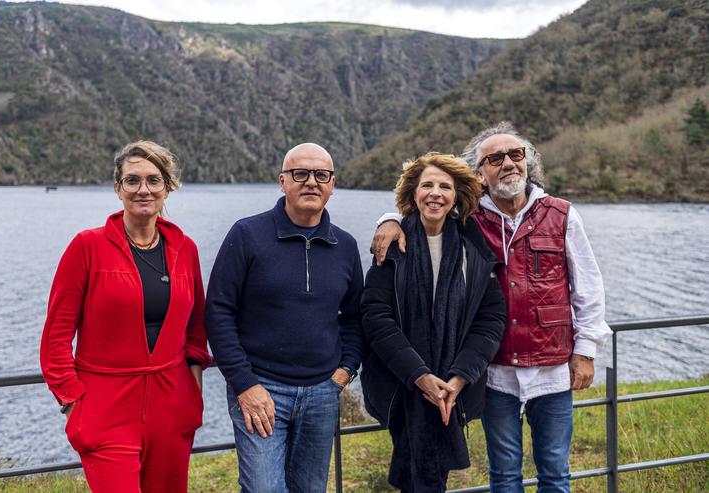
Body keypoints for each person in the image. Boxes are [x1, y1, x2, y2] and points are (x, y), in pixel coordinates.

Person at [372, 122, 612, 492]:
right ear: (480, 173)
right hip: (496, 369)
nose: (509, 163)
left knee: (555, 469)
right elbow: (425, 205)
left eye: (516, 154)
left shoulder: (562, 214)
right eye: (495, 158)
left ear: (528, 162)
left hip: (552, 366)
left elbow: (588, 286)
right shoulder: (468, 219)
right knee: (503, 473)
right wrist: (388, 221)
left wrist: (586, 350)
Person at [40, 141, 212, 493]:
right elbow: (56, 336)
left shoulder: (185, 249)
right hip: (105, 409)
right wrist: (73, 403)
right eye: (132, 180)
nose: (143, 189)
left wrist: (193, 386)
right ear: (118, 189)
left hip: (171, 407)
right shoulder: (87, 247)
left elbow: (197, 325)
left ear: (168, 188)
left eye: (153, 180)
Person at [204, 143, 364, 492]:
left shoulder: (346, 246)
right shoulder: (247, 235)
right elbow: (218, 311)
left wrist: (345, 371)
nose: (311, 182)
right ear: (282, 182)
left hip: (322, 392)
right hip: (261, 389)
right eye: (300, 174)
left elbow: (354, 317)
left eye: (321, 175)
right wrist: (244, 384)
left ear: (332, 184)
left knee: (310, 489)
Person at [361, 153, 506, 492]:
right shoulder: (392, 245)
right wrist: (420, 376)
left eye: (445, 186)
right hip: (404, 385)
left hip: (453, 386)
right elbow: (375, 315)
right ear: (413, 194)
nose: (435, 193)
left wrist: (459, 378)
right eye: (427, 185)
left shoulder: (473, 251)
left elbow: (491, 318)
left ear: (456, 197)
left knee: (430, 477)